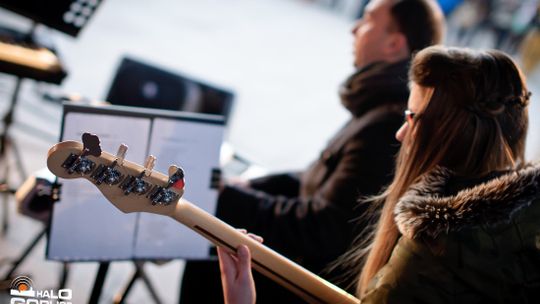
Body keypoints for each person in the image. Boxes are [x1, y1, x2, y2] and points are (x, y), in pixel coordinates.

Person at [219, 45, 539, 303]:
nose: (401, 134)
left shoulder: (431, 248)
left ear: (449, 134)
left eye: (412, 117)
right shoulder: (521, 224)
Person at [179, 0, 445, 302]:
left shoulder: (387, 124)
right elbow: (314, 177)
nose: (354, 28)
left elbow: (324, 228)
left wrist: (226, 198)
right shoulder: (378, 105)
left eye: (368, 20)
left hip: (307, 284)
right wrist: (245, 188)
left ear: (394, 44)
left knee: (210, 256)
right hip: (306, 261)